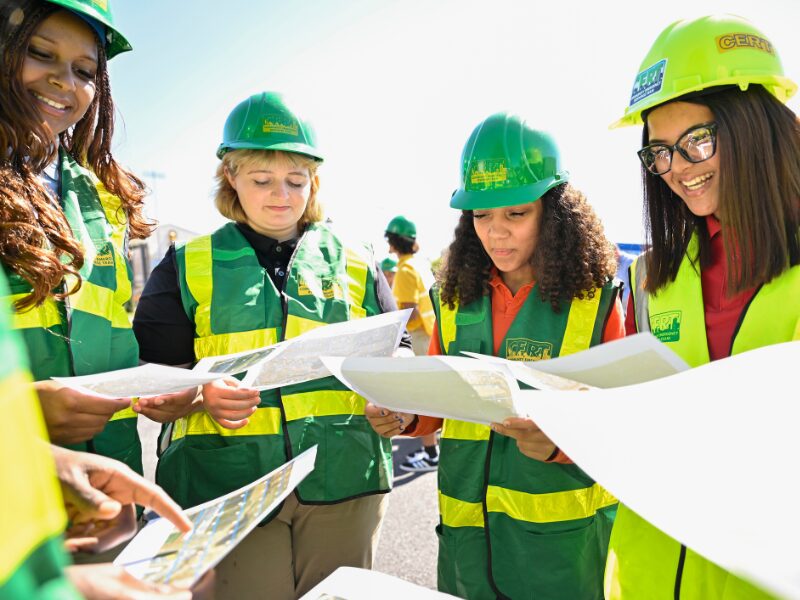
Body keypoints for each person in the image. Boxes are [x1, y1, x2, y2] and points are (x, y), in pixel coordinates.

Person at [133, 91, 411, 600]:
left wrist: (395, 398)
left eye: (296, 181)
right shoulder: (184, 264)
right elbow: (153, 390)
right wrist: (199, 396)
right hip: (226, 487)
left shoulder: (356, 259)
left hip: (345, 480)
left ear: (314, 183)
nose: (280, 195)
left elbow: (401, 348)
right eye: (262, 180)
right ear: (231, 177)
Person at [367, 112, 626, 599]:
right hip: (467, 546)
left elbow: (622, 422)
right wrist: (404, 417)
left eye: (516, 213)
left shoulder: (599, 302)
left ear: (555, 213)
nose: (496, 233)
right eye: (482, 215)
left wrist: (559, 443)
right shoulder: (452, 299)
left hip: (562, 556)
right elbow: (435, 404)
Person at [607, 14, 800, 599]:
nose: (678, 170)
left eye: (698, 141)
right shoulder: (650, 279)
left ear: (757, 127)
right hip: (651, 575)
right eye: (660, 153)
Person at [0, 0, 197, 477]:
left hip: (108, 477)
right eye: (41, 53)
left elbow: (114, 342)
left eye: (84, 69)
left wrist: (154, 389)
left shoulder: (100, 199)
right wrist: (20, 411)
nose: (65, 81)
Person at [0, 264, 200, 599]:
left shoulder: (106, 214)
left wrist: (180, 388)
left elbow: (112, 343)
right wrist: (29, 414)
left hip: (104, 510)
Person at [384, 215, 439, 472]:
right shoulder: (418, 265)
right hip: (430, 337)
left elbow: (410, 315)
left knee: (419, 399)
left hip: (417, 340)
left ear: (393, 242)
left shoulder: (404, 270)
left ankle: (430, 455)